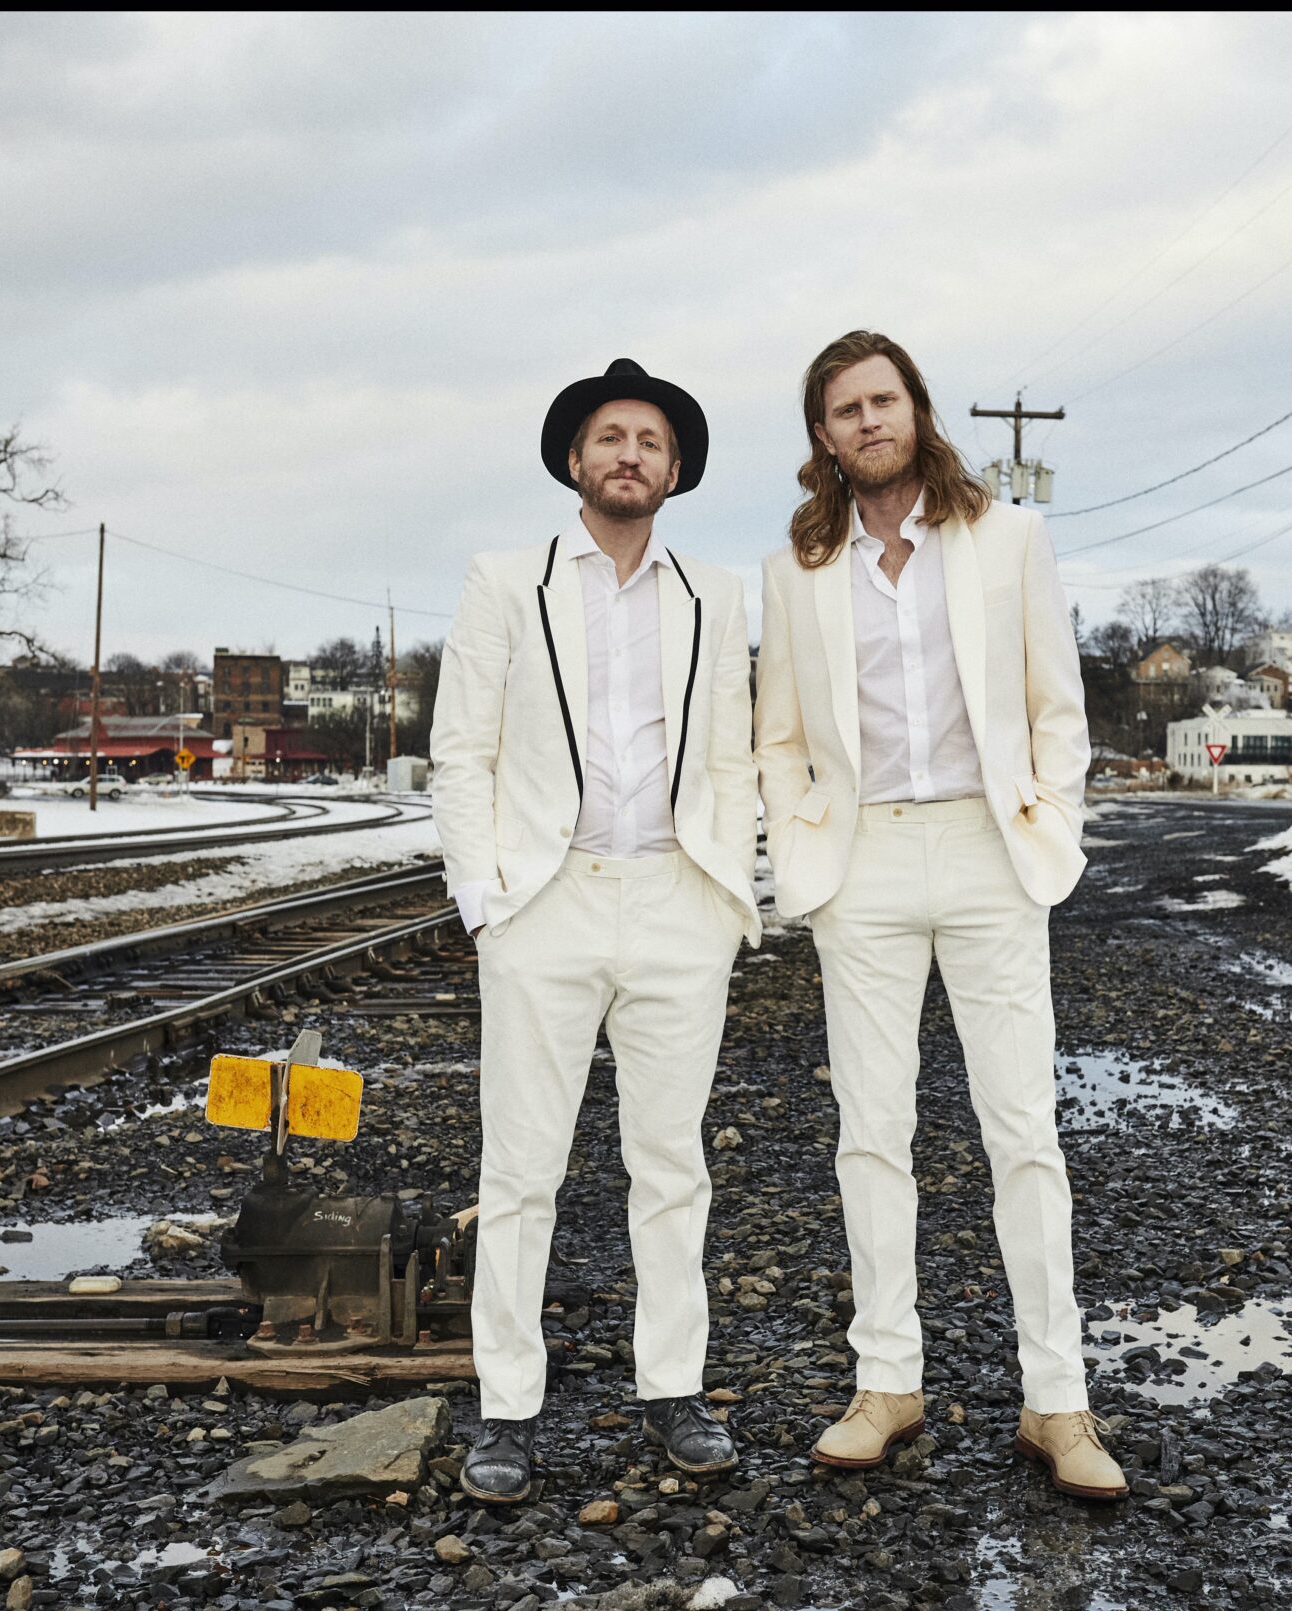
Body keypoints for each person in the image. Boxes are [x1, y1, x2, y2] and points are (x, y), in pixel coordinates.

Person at [754, 330, 1125, 1501]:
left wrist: (1048, 823)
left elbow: (1054, 704)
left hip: (983, 850)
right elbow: (776, 736)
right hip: (859, 862)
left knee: (1022, 1130)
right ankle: (887, 1386)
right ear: (822, 435)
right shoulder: (796, 569)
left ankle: (1057, 1405)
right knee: (872, 1132)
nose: (867, 421)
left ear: (915, 410)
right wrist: (798, 830)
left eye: (883, 399)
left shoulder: (1007, 536)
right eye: (843, 409)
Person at [430, 358, 759, 1503]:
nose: (630, 454)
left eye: (652, 442)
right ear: (575, 459)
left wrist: (727, 892)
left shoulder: (716, 593)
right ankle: (507, 1408)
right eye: (610, 437)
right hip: (545, 901)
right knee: (522, 1168)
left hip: (677, 900)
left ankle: (674, 1390)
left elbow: (730, 752)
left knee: (669, 1164)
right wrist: (485, 898)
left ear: (675, 472)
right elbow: (461, 750)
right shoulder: (503, 581)